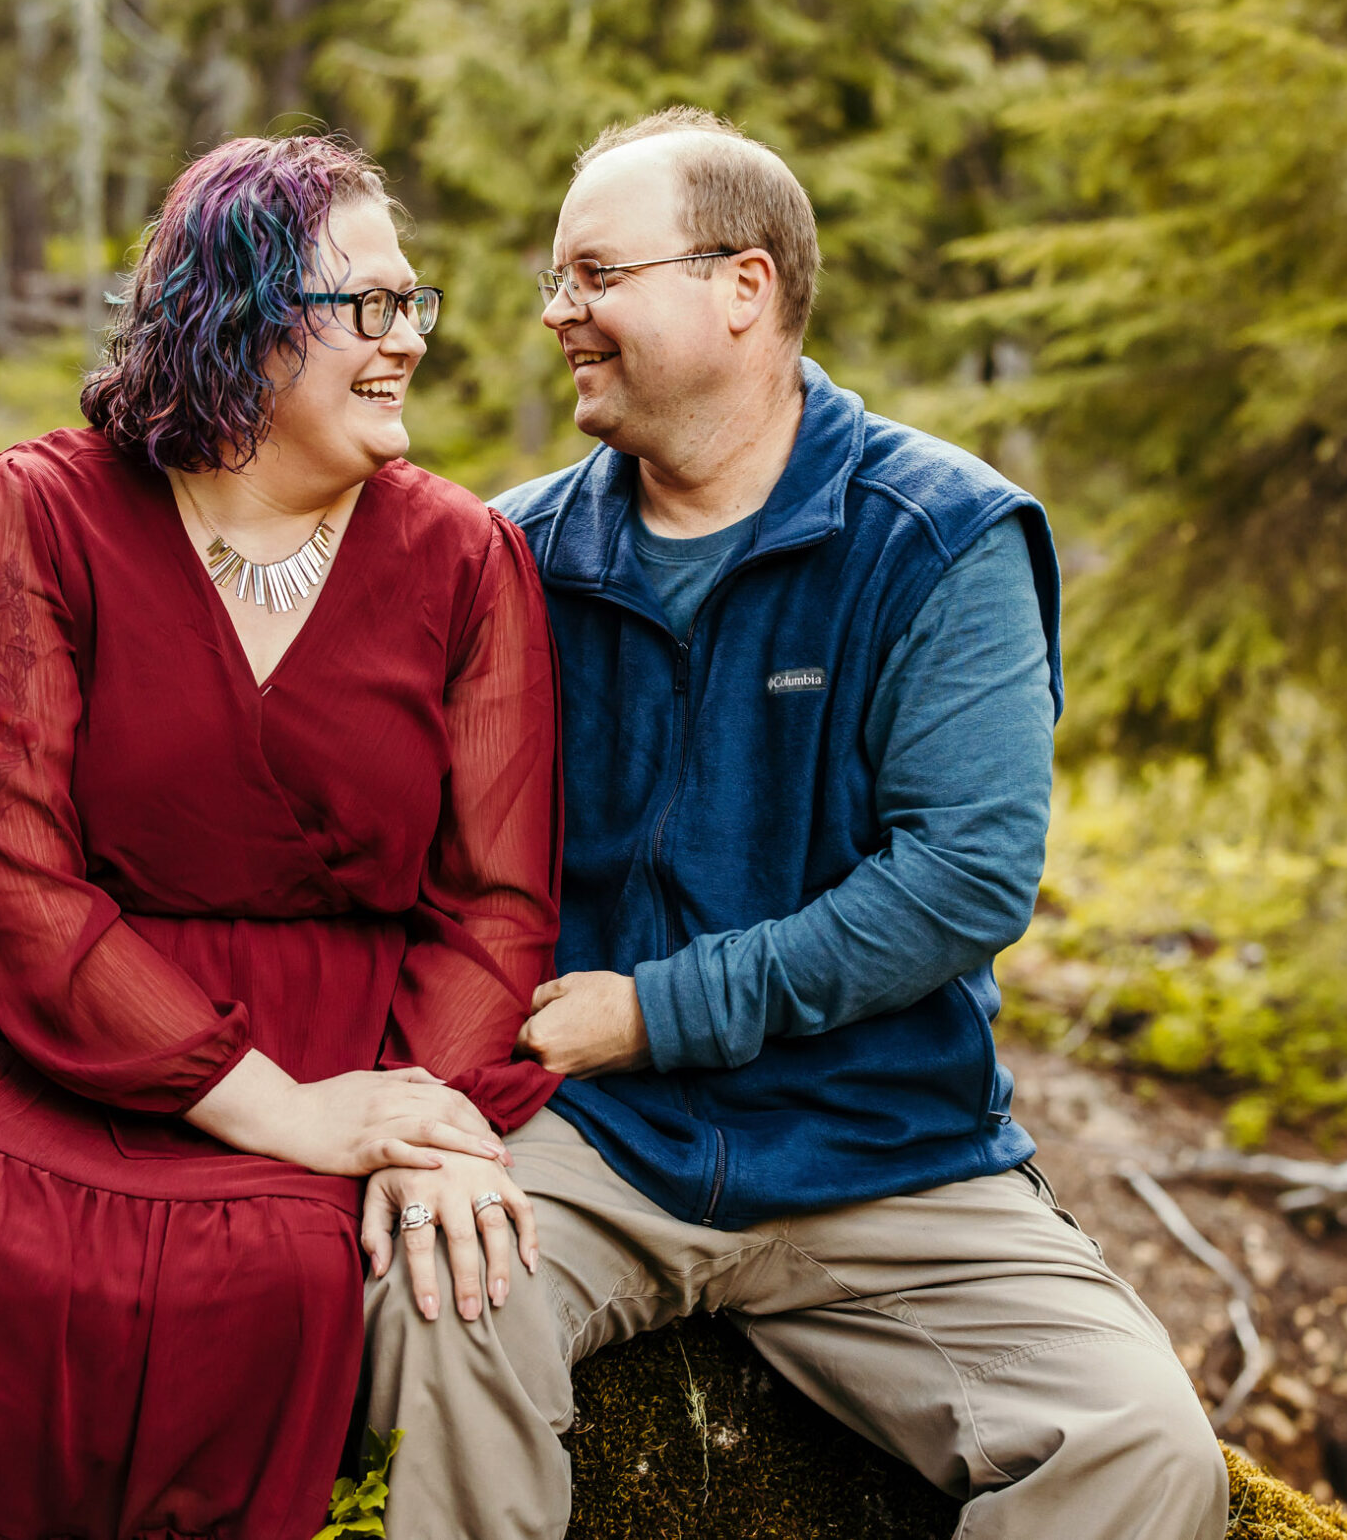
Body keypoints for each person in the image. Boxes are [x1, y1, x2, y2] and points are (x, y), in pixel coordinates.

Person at [0, 134, 562, 1540]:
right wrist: (277, 1107)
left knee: (274, 1281)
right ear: (244, 317)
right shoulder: (22, 517)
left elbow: (496, 900)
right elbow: (3, 884)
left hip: (343, 1027)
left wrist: (421, 1114)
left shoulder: (465, 558)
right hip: (36, 1026)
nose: (408, 344)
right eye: (371, 308)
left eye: (415, 304)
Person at [359, 108, 1230, 1540]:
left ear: (742, 288)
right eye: (554, 278)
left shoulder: (942, 535)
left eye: (594, 274)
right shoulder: (514, 552)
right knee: (442, 1303)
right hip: (594, 1137)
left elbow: (963, 879)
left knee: (1142, 1448)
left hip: (883, 1151)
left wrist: (659, 1009)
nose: (556, 313)